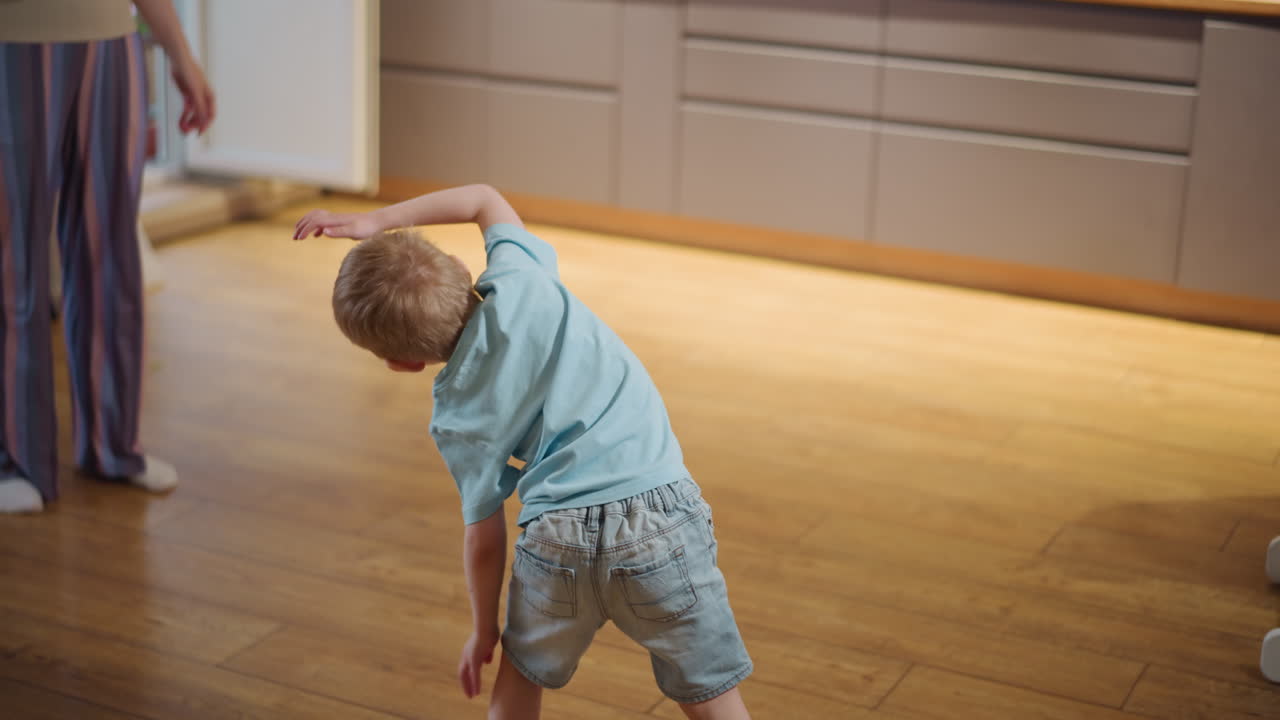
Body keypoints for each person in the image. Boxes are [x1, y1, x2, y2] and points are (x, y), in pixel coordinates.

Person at [294, 185, 753, 720]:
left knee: (520, 679)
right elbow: (483, 198)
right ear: (463, 270)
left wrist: (485, 631)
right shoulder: (521, 278)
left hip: (555, 541)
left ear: (402, 363)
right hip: (658, 521)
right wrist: (376, 220)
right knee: (708, 693)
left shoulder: (455, 417)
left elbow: (484, 538)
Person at [0, 0, 215, 513]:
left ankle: (113, 447)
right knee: (12, 262)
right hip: (11, 45)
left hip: (113, 46)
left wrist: (179, 52)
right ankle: (16, 459)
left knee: (111, 254)